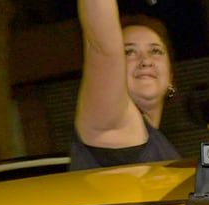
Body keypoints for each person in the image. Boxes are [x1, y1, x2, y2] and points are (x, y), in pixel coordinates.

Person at [71, 0, 179, 169]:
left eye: (155, 51)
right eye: (129, 52)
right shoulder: (111, 120)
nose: (146, 61)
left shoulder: (159, 141)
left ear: (171, 76)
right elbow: (103, 48)